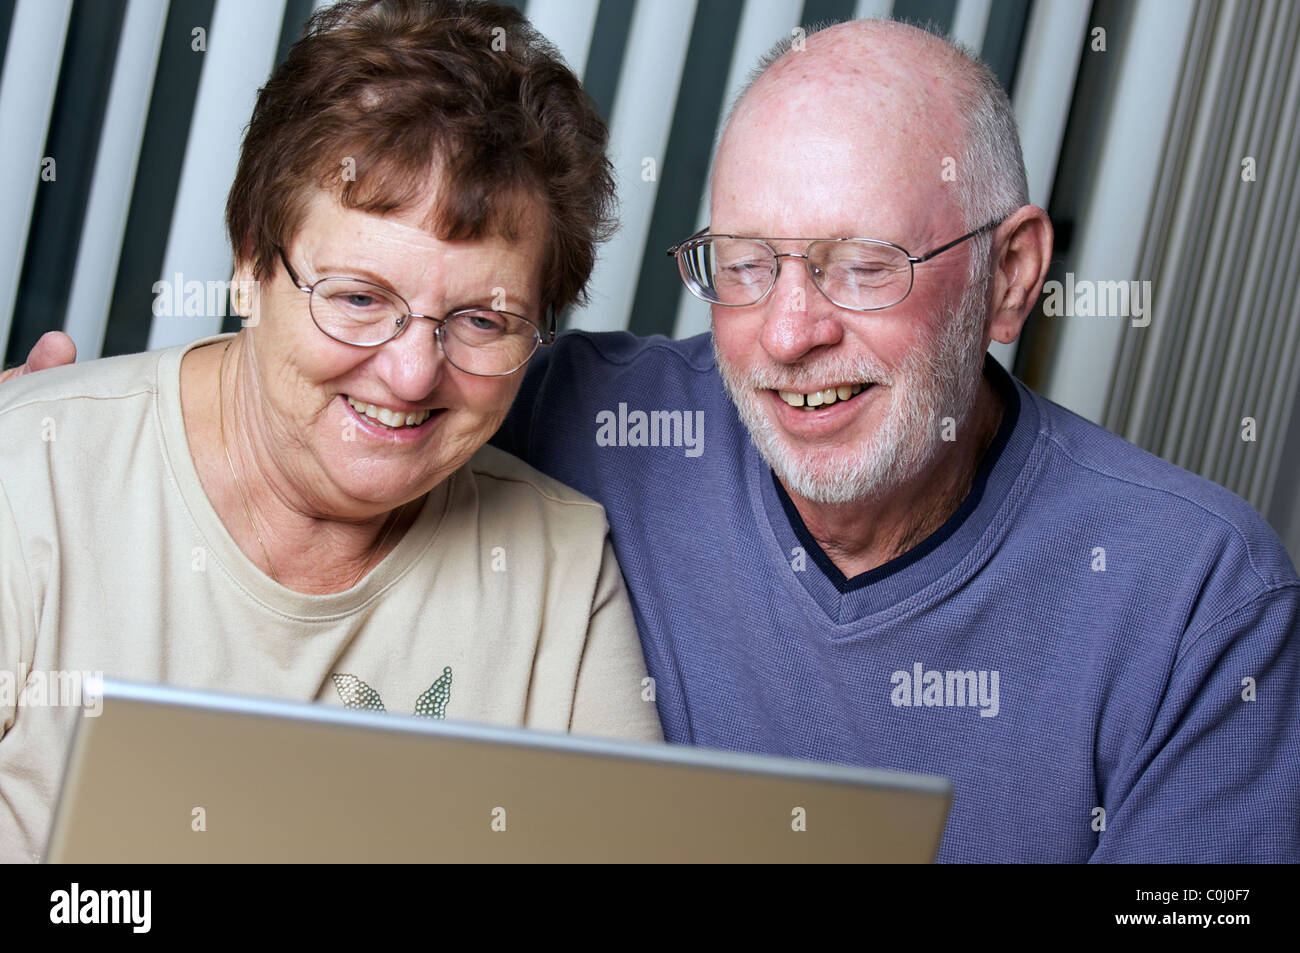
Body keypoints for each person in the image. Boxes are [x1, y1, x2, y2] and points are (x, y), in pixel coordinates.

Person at [10, 16, 1298, 863]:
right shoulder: (546, 420)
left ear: (1012, 276)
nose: (791, 332)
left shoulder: (1195, 598)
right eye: (745, 263)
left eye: (862, 265)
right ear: (249, 268)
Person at [0, 0, 660, 864]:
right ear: (249, 264)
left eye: (483, 321)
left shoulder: (560, 573)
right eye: (358, 298)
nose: (413, 373)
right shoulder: (30, 476)